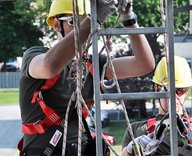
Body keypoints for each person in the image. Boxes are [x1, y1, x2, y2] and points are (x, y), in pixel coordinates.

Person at [19, 0, 155, 155]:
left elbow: (144, 64)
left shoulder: (91, 65)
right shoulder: (35, 56)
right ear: (57, 25)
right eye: (74, 22)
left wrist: (129, 19)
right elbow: (49, 67)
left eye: (86, 22)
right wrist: (91, 21)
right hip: (45, 151)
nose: (84, 29)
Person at [121, 56, 192, 156]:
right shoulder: (136, 129)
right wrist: (130, 150)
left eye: (180, 91)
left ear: (187, 91)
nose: (174, 96)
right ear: (156, 88)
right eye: (166, 90)